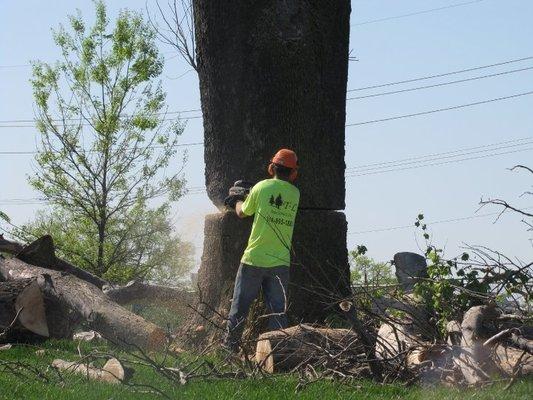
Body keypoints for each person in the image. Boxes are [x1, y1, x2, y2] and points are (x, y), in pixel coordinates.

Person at [223, 148, 300, 352]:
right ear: (294, 173)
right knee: (278, 313)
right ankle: (277, 353)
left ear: (271, 168)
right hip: (280, 262)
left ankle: (230, 350)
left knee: (239, 309)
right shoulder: (295, 193)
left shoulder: (260, 187)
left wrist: (237, 200)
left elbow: (243, 212)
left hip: (253, 259)